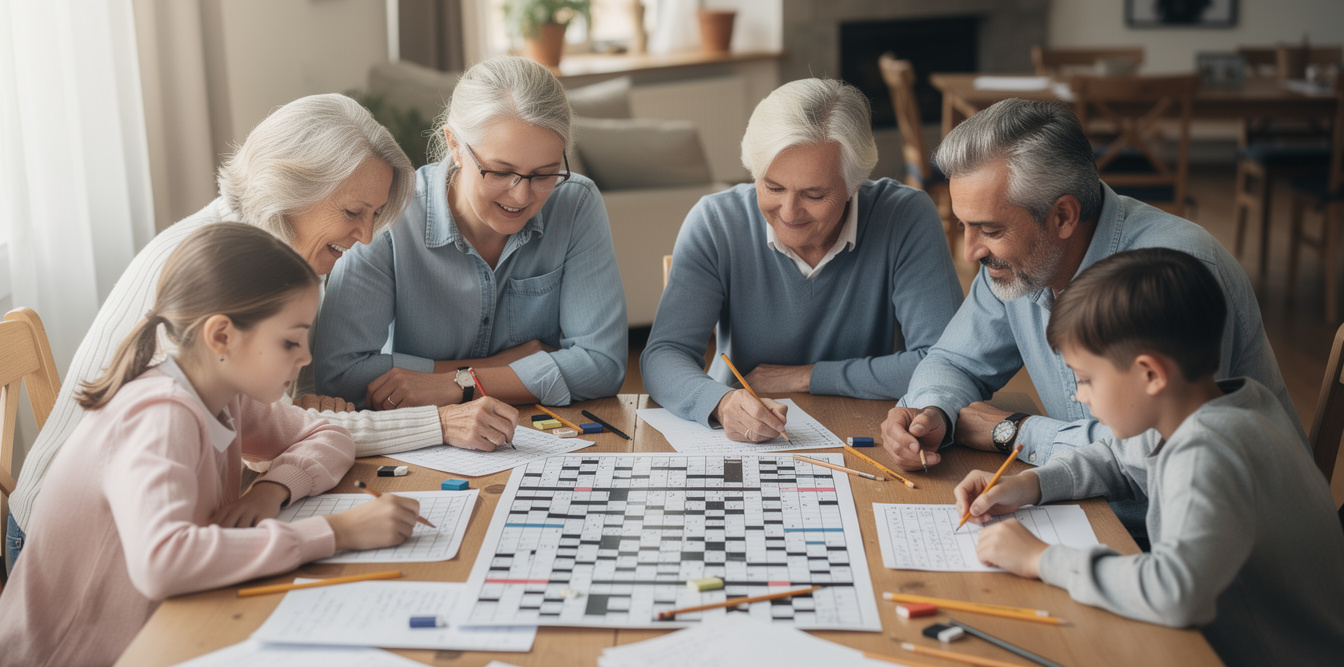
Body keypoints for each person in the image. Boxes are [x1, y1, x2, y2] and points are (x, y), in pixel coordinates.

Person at [6, 93, 518, 572]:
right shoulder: (221, 277)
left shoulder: (256, 258)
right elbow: (262, 445)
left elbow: (272, 429)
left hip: (161, 530)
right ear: (293, 188)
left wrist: (277, 477)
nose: (365, 238)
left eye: (375, 215)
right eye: (352, 213)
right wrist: (441, 423)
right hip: (79, 555)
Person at [0, 224, 423, 667]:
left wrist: (274, 486)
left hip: (148, 643)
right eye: (291, 341)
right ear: (222, 336)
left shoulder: (220, 391)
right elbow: (163, 561)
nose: (304, 357)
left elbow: (328, 433)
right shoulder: (161, 414)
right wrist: (335, 532)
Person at [955, 248, 1344, 667]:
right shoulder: (1227, 403)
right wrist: (1031, 486)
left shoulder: (1208, 453)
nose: (1081, 396)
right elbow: (1117, 456)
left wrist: (1039, 560)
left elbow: (1174, 592)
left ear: (1149, 375)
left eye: (1086, 379)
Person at [879, 98, 1296, 531]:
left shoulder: (1171, 276)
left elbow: (1151, 454)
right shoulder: (1016, 263)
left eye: (990, 230)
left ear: (1062, 216)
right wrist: (933, 412)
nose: (970, 252)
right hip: (1088, 509)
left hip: (1210, 543)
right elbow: (953, 360)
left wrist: (1013, 432)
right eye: (964, 225)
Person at [640, 79, 962, 442]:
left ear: (854, 184)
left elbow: (945, 363)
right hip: (742, 435)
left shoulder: (906, 217)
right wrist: (721, 402)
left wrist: (807, 376)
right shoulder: (716, 222)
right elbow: (663, 356)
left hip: (869, 429)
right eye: (773, 187)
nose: (790, 212)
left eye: (814, 194)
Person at [312, 56, 627, 410]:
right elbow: (340, 374)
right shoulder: (388, 214)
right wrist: (503, 368)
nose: (521, 196)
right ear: (454, 145)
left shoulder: (575, 203)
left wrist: (455, 384)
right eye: (499, 171)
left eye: (544, 174)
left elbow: (603, 365)